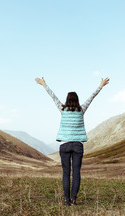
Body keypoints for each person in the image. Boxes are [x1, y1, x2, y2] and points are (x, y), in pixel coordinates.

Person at [35, 76, 110, 206]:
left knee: (65, 173)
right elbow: (92, 97)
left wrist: (44, 84)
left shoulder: (62, 109)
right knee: (76, 173)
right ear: (77, 100)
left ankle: (66, 200)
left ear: (67, 100)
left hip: (64, 144)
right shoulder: (81, 109)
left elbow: (53, 97)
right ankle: (74, 199)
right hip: (78, 145)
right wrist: (101, 86)